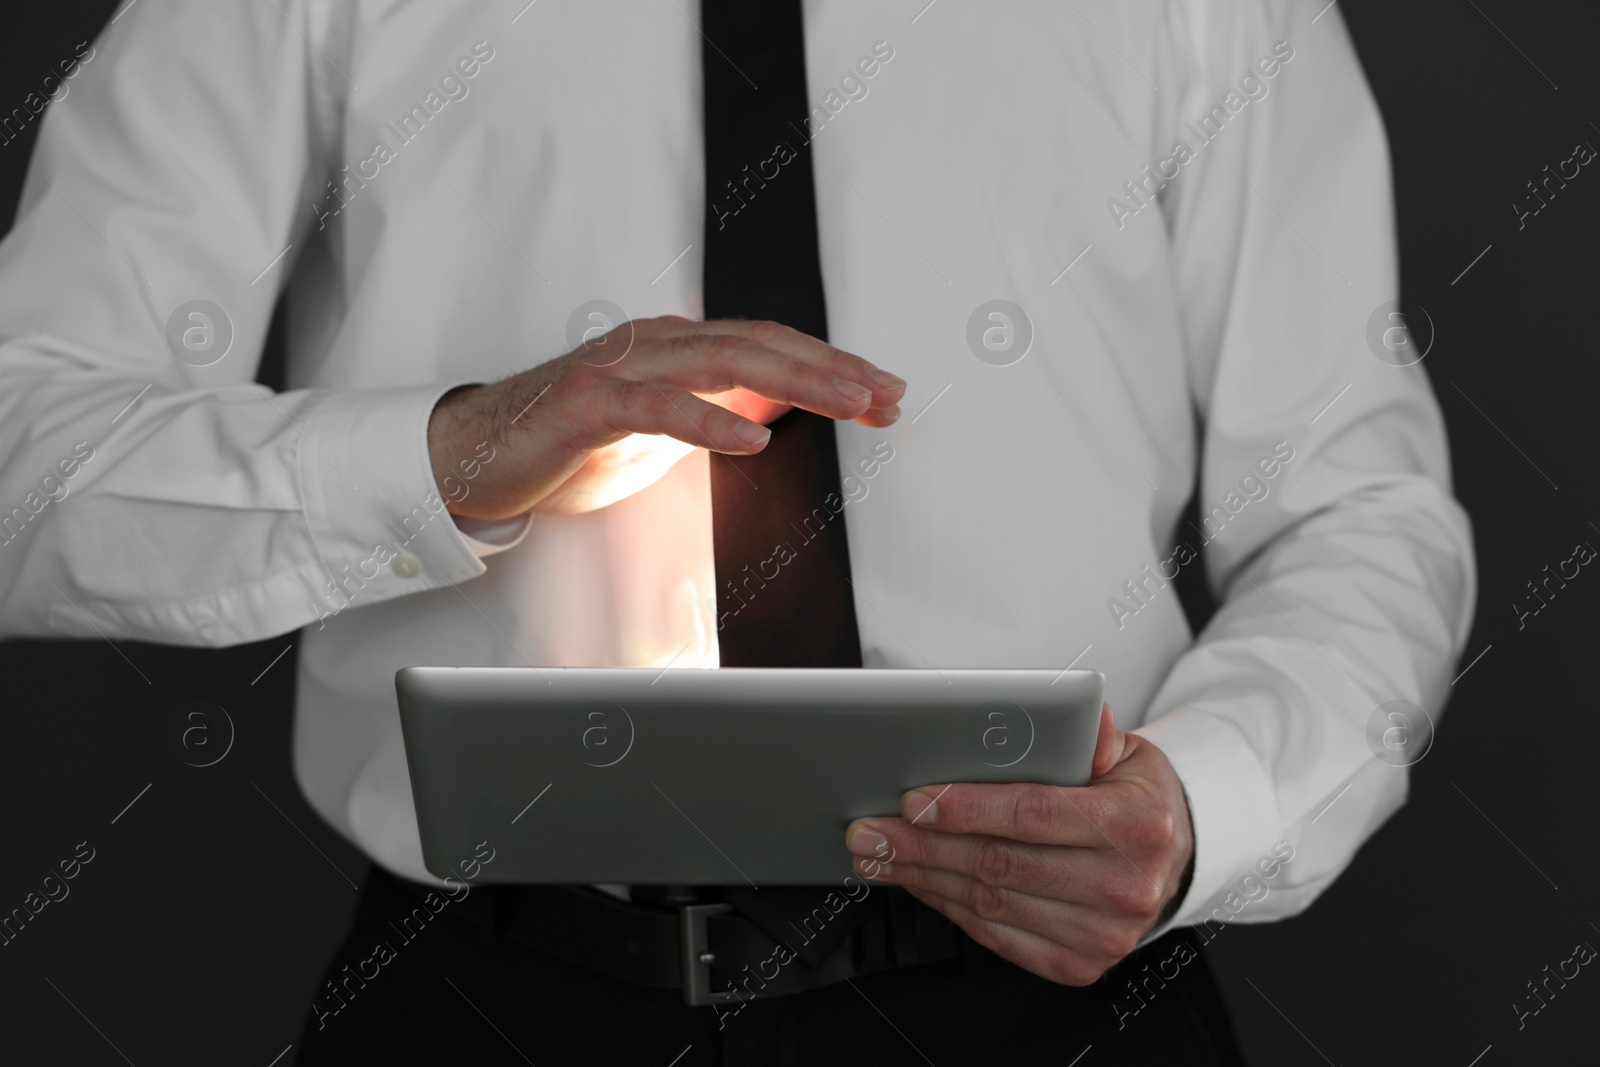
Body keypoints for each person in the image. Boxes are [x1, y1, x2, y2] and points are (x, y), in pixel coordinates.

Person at [0, 1, 1473, 1063]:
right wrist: (450, 456)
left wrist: (1206, 805)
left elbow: (1362, 510)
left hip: (1056, 1004)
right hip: (489, 1005)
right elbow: (23, 452)